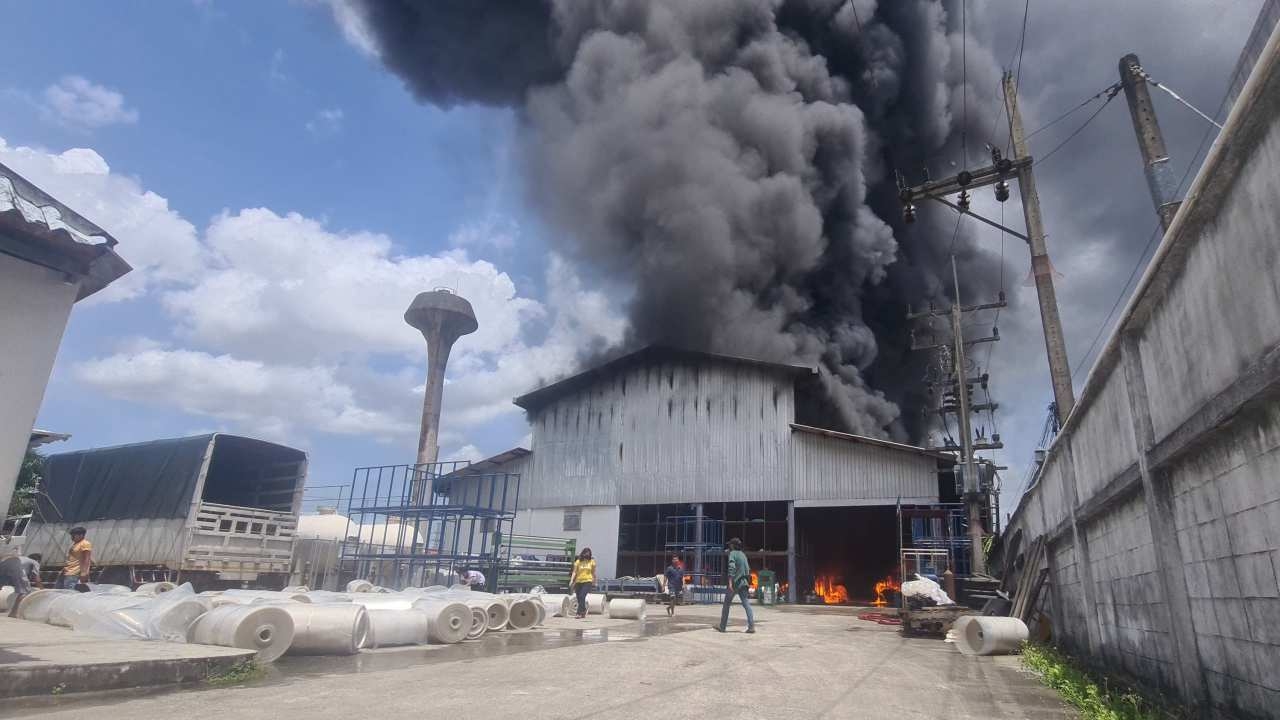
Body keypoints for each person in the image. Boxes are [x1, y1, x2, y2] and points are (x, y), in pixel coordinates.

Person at [716, 538, 755, 633]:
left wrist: (730, 582)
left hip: (734, 583)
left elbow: (731, 567)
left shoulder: (732, 553)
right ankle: (751, 627)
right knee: (746, 604)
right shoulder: (743, 555)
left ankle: (722, 627)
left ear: (733, 545)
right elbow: (748, 569)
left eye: (730, 545)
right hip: (744, 583)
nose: (729, 546)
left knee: (726, 605)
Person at [1, 552, 42, 617]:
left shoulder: (23, 559)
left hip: (3, 564)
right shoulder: (35, 562)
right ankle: (13, 613)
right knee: (24, 592)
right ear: (38, 560)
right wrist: (42, 590)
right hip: (16, 566)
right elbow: (37, 578)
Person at [569, 547, 595, 619]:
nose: (587, 554)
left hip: (588, 581)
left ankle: (578, 613)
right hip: (578, 581)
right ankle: (583, 610)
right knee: (578, 597)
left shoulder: (592, 562)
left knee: (582, 596)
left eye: (588, 553)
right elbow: (574, 572)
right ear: (582, 553)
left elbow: (593, 572)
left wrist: (594, 581)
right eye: (586, 553)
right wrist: (571, 580)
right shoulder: (578, 562)